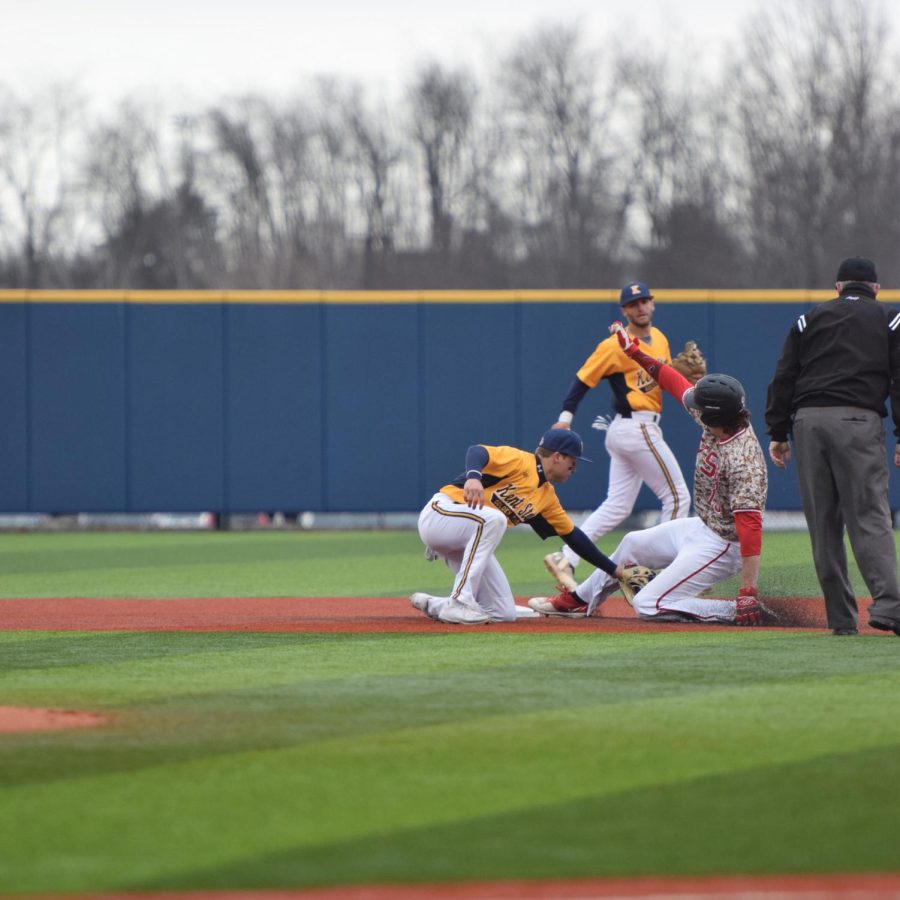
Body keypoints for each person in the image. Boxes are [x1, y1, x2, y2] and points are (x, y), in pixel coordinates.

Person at [530, 323, 768, 626]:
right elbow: (674, 382)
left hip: (724, 545)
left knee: (648, 604)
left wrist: (748, 589)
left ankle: (734, 611)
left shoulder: (743, 460)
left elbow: (750, 527)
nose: (693, 405)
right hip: (703, 526)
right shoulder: (719, 416)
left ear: (716, 413)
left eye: (700, 405)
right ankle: (578, 600)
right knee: (631, 543)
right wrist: (635, 353)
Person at [766, 256, 900, 637]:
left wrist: (777, 430)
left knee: (824, 524)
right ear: (875, 288)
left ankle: (841, 620)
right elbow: (899, 381)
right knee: (869, 516)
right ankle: (889, 604)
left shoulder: (809, 319)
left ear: (838, 287)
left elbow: (784, 376)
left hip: (808, 422)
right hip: (858, 421)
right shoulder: (890, 319)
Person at [543, 281, 692, 592]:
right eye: (633, 303)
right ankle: (667, 574)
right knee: (678, 496)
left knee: (617, 506)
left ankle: (566, 558)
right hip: (635, 427)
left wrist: (688, 378)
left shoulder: (661, 339)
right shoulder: (614, 345)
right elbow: (582, 380)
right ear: (624, 310)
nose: (640, 307)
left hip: (633, 430)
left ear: (652, 304)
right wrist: (565, 418)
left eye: (644, 301)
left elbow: (659, 381)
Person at [410, 429, 627, 625]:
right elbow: (477, 452)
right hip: (441, 513)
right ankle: (459, 601)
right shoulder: (522, 461)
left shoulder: (546, 497)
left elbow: (574, 537)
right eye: (573, 461)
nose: (574, 469)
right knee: (495, 519)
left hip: (464, 537)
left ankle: (436, 604)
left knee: (503, 613)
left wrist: (615, 571)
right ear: (557, 456)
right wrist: (473, 477)